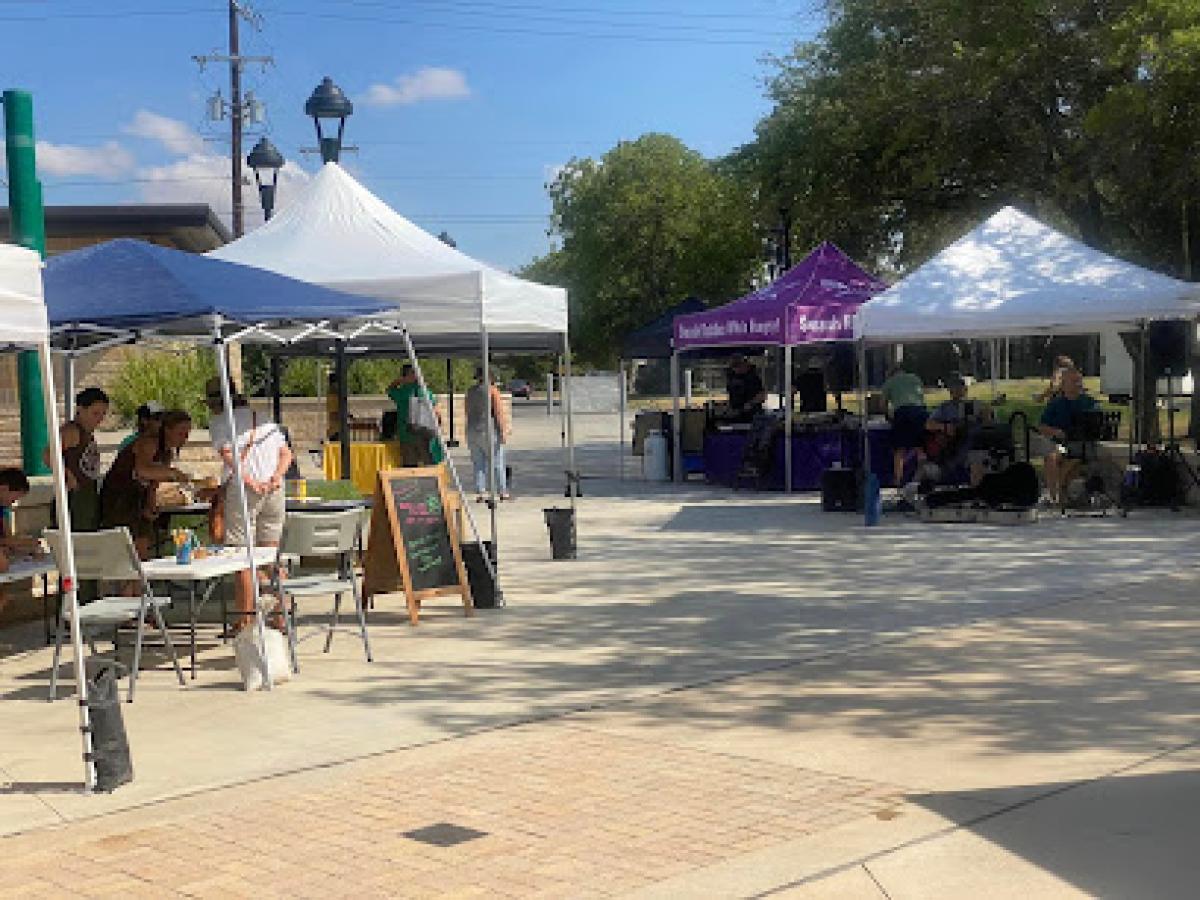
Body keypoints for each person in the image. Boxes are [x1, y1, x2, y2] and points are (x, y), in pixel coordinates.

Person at [206, 378, 292, 634]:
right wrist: (276, 477)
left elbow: (228, 455)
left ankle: (246, 619)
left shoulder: (220, 422)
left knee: (241, 555)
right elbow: (286, 453)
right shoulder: (263, 418)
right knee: (272, 552)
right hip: (274, 488)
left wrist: (249, 480)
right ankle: (280, 615)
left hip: (245, 490)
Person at [100, 410, 193, 560]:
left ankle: (139, 582)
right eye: (180, 433)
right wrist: (172, 473)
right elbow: (142, 470)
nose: (184, 438)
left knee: (143, 549)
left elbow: (153, 483)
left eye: (187, 433)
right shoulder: (149, 443)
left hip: (139, 498)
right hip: (120, 497)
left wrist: (150, 504)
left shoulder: (167, 452)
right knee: (125, 552)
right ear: (167, 430)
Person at [44, 387, 108, 533]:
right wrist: (67, 475)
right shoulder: (71, 431)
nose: (99, 418)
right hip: (74, 497)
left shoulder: (87, 433)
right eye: (95, 413)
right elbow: (49, 455)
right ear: (81, 409)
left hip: (86, 494)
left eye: (103, 414)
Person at [1038, 367, 1098, 504]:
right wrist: (1056, 432)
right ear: (1063, 384)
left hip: (1084, 444)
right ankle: (1054, 496)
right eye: (1073, 381)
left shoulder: (1090, 403)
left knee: (1075, 460)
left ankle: (1062, 492)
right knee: (1052, 457)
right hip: (1062, 443)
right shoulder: (1055, 404)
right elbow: (1042, 426)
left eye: (1079, 381)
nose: (1077, 384)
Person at [925, 374, 992, 485]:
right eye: (954, 388)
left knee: (976, 435)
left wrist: (986, 414)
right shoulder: (945, 407)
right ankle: (955, 466)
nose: (957, 390)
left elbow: (988, 424)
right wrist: (944, 427)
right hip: (953, 442)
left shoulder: (976, 405)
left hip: (973, 440)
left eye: (960, 387)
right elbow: (928, 424)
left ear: (965, 390)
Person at [466, 367, 512, 503]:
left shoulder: (470, 391)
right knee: (497, 461)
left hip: (472, 430)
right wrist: (503, 431)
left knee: (478, 463)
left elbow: (467, 411)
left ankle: (481, 492)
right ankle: (502, 491)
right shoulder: (492, 391)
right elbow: (498, 412)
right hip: (488, 430)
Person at [386, 364, 444, 466]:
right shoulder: (426, 391)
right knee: (429, 465)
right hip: (424, 434)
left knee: (410, 466)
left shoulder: (401, 392)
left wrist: (399, 381)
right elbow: (437, 411)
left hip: (406, 434)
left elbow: (389, 390)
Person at [880, 363, 927, 486]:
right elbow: (921, 397)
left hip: (903, 413)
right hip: (920, 412)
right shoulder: (915, 378)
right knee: (920, 448)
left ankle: (898, 480)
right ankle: (919, 479)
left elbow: (882, 405)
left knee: (899, 450)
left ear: (890, 374)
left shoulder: (889, 382)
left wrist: (889, 417)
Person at [0, 469, 31, 611]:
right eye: (13, 499)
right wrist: (18, 543)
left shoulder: (3, 509)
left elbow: (7, 538)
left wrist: (20, 545)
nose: (13, 503)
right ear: (4, 489)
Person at [725, 354, 766, 422]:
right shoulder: (732, 377)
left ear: (745, 364)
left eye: (737, 365)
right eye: (733, 366)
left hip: (752, 415)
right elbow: (731, 394)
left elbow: (762, 395)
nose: (735, 369)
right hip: (735, 415)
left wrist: (750, 404)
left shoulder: (753, 378)